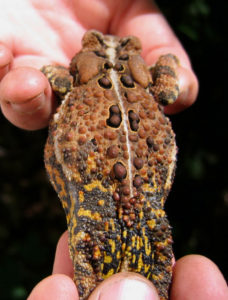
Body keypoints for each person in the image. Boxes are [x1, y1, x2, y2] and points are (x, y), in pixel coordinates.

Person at [0, 1, 227, 299]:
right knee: (154, 268)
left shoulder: (70, 83)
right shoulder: (152, 89)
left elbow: (49, 73)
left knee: (89, 269)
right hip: (138, 200)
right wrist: (167, 61)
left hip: (106, 199)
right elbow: (171, 90)